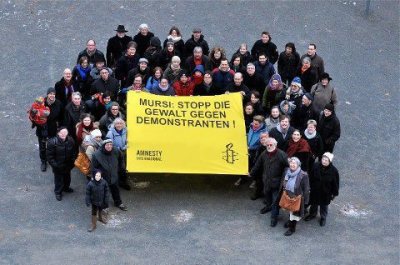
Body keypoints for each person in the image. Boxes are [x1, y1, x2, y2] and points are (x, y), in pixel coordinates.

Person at [249, 138, 288, 226]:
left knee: (275, 201)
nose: (269, 146)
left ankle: (274, 217)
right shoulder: (264, 154)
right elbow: (257, 165)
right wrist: (251, 173)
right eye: (267, 145)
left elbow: (288, 166)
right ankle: (268, 207)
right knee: (267, 197)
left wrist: (285, 178)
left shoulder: (281, 154)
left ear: (275, 145)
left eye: (271, 145)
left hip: (276, 183)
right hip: (266, 181)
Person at [91, 139, 128, 211]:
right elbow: (94, 168)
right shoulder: (96, 155)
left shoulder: (116, 151)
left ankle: (118, 203)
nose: (109, 146)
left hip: (114, 176)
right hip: (103, 177)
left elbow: (121, 158)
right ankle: (104, 206)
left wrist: (121, 168)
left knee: (116, 190)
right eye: (107, 145)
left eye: (111, 144)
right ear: (103, 146)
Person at [305, 152, 339, 226]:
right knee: (313, 203)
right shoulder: (316, 165)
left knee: (324, 205)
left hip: (326, 192)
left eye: (326, 160)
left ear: (330, 161)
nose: (324, 161)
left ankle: (323, 217)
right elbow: (311, 177)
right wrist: (308, 187)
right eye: (323, 159)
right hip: (315, 189)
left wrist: (334, 194)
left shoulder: (334, 171)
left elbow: (335, 183)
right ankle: (312, 214)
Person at [35, 88, 63, 172]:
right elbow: (34, 116)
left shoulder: (58, 103)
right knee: (42, 146)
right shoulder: (41, 102)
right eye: (50, 94)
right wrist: (37, 123)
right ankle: (43, 161)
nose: (52, 95)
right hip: (42, 128)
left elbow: (61, 116)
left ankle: (53, 160)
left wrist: (60, 127)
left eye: (53, 94)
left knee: (53, 145)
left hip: (53, 128)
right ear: (47, 94)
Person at [281, 157, 310, 236]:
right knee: (290, 211)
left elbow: (306, 189)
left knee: (295, 215)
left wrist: (305, 202)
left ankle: (292, 229)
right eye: (291, 163)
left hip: (297, 198)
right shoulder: (287, 171)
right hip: (288, 195)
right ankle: (290, 221)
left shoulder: (303, 175)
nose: (292, 165)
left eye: (294, 163)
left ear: (298, 165)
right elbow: (284, 182)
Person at [235, 115, 266, 186]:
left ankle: (255, 180)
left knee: (255, 166)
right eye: (253, 122)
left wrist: (250, 148)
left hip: (255, 152)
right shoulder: (251, 127)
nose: (254, 125)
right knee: (244, 164)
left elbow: (261, 145)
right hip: (247, 149)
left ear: (261, 124)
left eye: (256, 124)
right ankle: (242, 178)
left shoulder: (264, 132)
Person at [46, 127, 77, 201]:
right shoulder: (52, 142)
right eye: (61, 133)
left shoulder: (70, 140)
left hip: (68, 164)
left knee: (67, 178)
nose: (63, 134)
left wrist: (73, 162)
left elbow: (74, 151)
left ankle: (66, 188)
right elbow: (50, 156)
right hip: (58, 165)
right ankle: (58, 192)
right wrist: (55, 165)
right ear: (58, 133)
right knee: (58, 180)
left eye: (65, 133)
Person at [106, 118, 130, 190]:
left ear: (123, 124)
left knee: (123, 168)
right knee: (116, 168)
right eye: (117, 123)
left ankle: (123, 182)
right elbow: (109, 145)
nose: (119, 125)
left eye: (120, 123)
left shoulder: (126, 131)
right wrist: (120, 148)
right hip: (114, 153)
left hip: (123, 152)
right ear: (114, 125)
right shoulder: (110, 133)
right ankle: (115, 184)